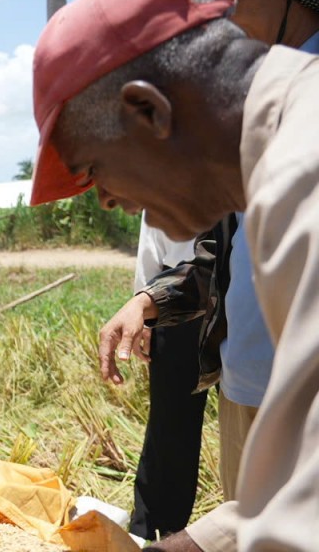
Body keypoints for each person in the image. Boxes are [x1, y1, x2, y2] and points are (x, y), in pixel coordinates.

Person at [30, 0, 319, 549]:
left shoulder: (302, 177)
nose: (106, 201)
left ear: (147, 110)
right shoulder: (277, 155)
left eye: (92, 170)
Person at [125, 218, 206, 540]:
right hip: (176, 292)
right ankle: (156, 530)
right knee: (171, 422)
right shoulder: (164, 170)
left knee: (252, 417)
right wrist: (145, 307)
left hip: (244, 288)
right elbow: (151, 238)